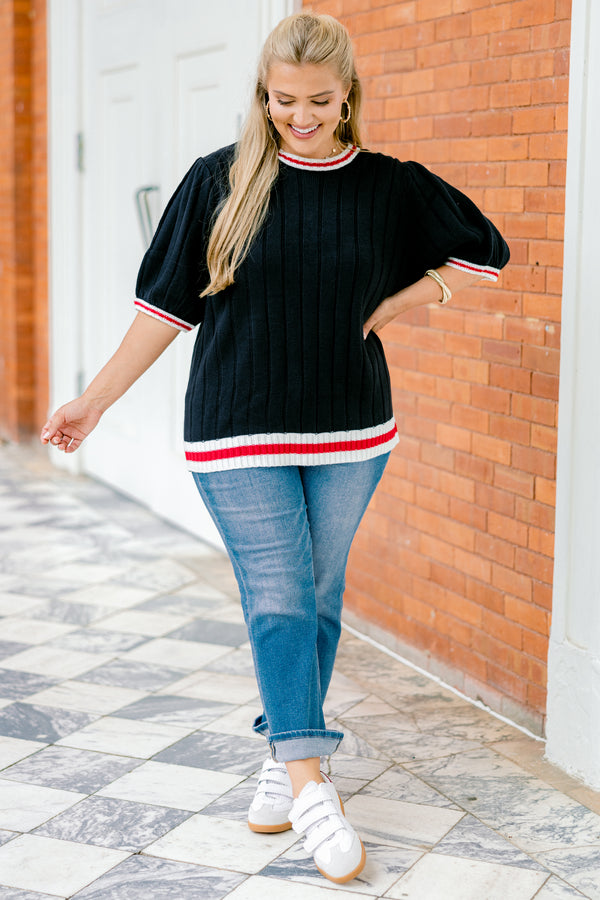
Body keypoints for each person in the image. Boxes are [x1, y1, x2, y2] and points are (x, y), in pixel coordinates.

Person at [41, 12, 509, 885]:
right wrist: (93, 401)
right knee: (282, 596)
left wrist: (400, 304)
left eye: (319, 101)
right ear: (263, 94)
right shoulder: (217, 182)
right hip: (235, 426)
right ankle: (310, 786)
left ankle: (282, 746)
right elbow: (164, 311)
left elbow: (486, 251)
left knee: (322, 594)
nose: (300, 116)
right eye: (283, 100)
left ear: (348, 96)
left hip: (351, 430)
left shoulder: (388, 186)